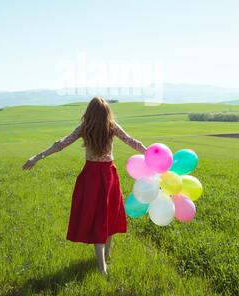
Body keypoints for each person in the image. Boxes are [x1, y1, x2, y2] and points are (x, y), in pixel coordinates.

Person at [22, 97, 147, 274]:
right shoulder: (111, 126)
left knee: (102, 216)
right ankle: (103, 265)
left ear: (89, 112)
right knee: (107, 215)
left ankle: (105, 259)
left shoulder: (85, 128)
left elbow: (60, 144)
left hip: (91, 177)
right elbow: (132, 141)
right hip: (108, 175)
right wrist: (149, 153)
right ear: (106, 113)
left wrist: (37, 157)